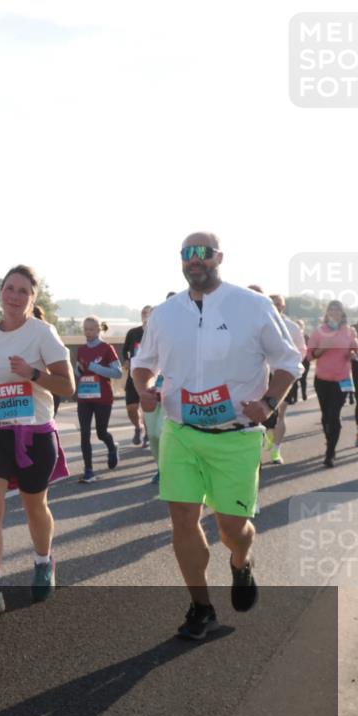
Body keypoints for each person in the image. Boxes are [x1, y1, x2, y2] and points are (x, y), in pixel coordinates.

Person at [132, 232, 302, 640]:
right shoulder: (165, 313)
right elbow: (143, 363)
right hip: (182, 432)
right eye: (187, 254)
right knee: (183, 519)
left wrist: (269, 403)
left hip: (236, 436)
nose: (195, 261)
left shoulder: (254, 306)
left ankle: (241, 563)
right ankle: (201, 606)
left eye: (202, 254)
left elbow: (288, 362)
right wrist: (143, 389)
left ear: (218, 257)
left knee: (232, 528)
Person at [0, 265, 75, 617]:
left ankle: (44, 561)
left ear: (33, 297)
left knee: (34, 506)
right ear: (0, 293)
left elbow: (67, 386)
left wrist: (33, 374)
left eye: (23, 291)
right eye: (9, 288)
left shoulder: (43, 333)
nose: (14, 296)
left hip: (34, 434)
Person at [306, 300, 358, 467]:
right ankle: (329, 442)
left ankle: (330, 452)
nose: (334, 312)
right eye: (331, 309)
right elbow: (309, 356)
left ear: (343, 313)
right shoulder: (319, 331)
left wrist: (352, 353)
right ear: (327, 312)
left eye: (338, 309)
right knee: (325, 416)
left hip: (342, 379)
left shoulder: (349, 331)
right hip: (322, 379)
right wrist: (322, 349)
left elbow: (355, 350)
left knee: (333, 415)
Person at [75, 316, 122, 483]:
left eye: (91, 329)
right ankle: (88, 470)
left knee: (101, 432)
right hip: (85, 396)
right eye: (85, 329)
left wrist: (96, 367)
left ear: (99, 330)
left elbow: (118, 372)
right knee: (85, 433)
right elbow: (78, 372)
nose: (88, 332)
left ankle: (112, 446)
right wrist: (79, 371)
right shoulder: (81, 349)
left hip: (103, 397)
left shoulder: (107, 348)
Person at [264, 294, 307, 464]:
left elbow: (301, 350)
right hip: (262, 376)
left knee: (280, 414)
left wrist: (291, 370)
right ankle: (267, 433)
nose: (275, 307)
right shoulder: (260, 323)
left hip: (282, 377)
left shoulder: (292, 327)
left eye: (278, 304)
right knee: (264, 414)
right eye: (272, 304)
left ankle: (276, 450)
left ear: (283, 307)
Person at [122, 306, 153, 447]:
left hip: (150, 376)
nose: (146, 317)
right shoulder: (133, 333)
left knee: (147, 406)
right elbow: (125, 351)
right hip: (133, 375)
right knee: (131, 408)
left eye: (149, 314)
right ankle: (138, 426)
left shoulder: (156, 333)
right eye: (144, 314)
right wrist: (126, 361)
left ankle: (148, 432)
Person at [298, 319, 311, 401]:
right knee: (295, 379)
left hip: (305, 360)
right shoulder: (292, 335)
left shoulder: (306, 337)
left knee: (303, 379)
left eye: (300, 325)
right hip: (296, 360)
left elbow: (310, 348)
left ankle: (304, 394)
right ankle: (294, 396)